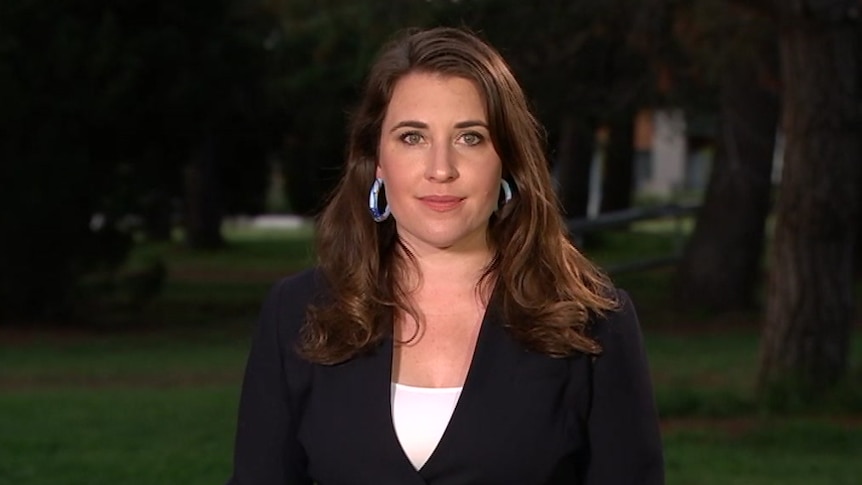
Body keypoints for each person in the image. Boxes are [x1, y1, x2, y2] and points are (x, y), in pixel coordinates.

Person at [226, 26, 664, 485]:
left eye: (469, 138)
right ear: (377, 159)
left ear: (508, 160)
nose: (441, 169)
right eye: (412, 137)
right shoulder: (297, 313)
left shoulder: (594, 324)